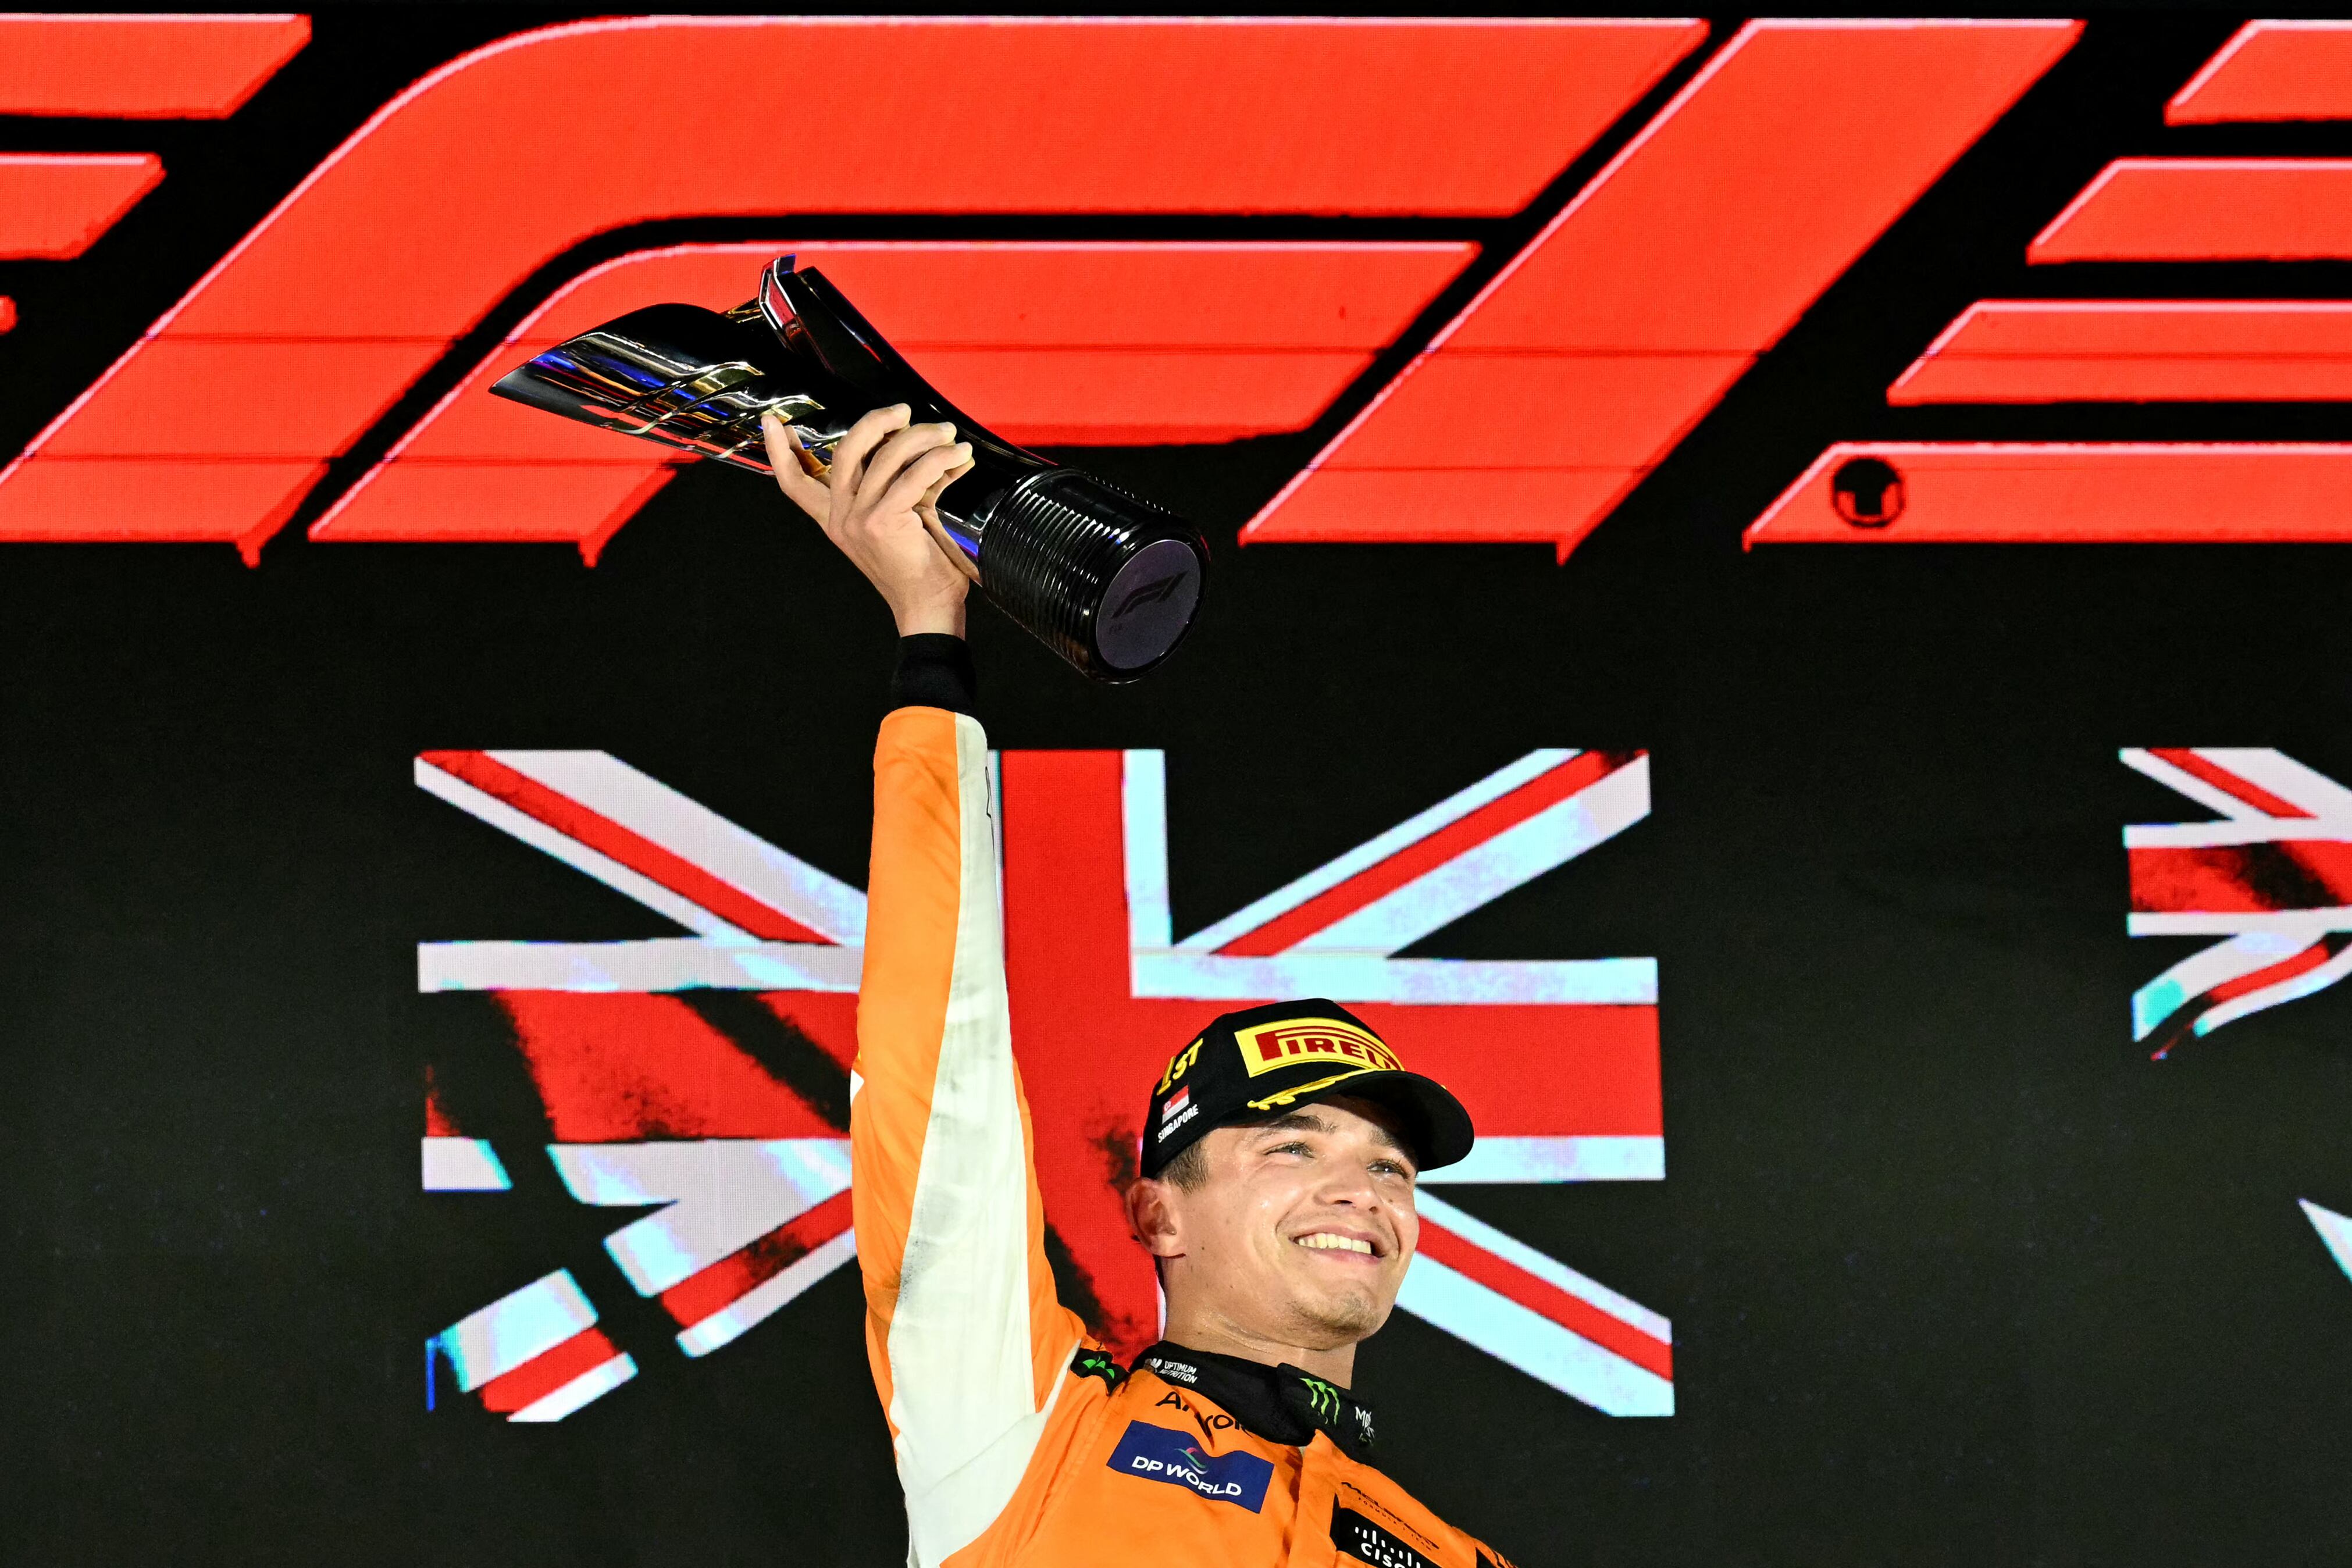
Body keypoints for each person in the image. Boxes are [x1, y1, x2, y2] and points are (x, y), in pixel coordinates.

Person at [762, 403, 1518, 1568]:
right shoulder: (1024, 1433)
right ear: (1157, 1212)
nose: (1361, 1190)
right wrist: (929, 635)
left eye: (1387, 1164)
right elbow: (938, 1071)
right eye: (1291, 1147)